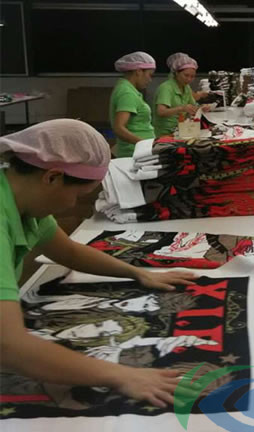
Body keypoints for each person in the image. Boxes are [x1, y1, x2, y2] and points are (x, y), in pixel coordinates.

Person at [0, 119, 199, 408]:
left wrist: (136, 273)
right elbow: (8, 345)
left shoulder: (24, 204)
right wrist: (121, 376)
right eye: (78, 195)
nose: (72, 205)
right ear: (52, 177)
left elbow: (69, 252)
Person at [109, 51, 156, 158]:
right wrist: (144, 144)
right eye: (149, 75)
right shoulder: (127, 93)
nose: (150, 80)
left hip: (138, 151)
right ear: (138, 71)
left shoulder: (129, 90)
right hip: (134, 153)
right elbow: (119, 128)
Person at [153, 52, 211, 137]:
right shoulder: (166, 88)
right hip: (165, 133)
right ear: (176, 73)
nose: (189, 79)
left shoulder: (186, 87)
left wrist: (201, 108)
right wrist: (182, 108)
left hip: (180, 130)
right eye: (186, 75)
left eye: (192, 76)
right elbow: (161, 112)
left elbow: (192, 106)